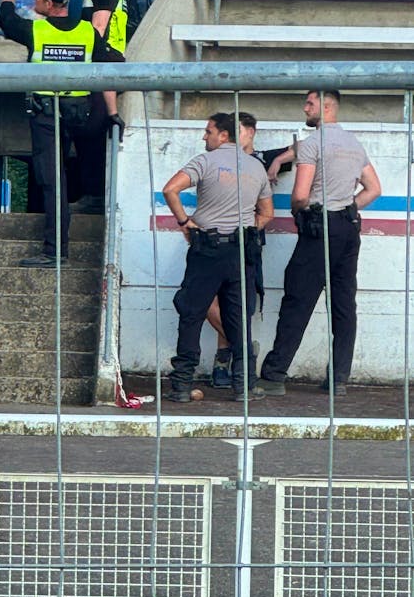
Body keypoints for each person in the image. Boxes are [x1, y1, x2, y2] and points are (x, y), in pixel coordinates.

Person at [258, 90, 381, 397]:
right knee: (343, 304)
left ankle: (274, 375)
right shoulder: (354, 144)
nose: (305, 108)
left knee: (297, 300)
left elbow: (300, 195)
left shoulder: (314, 143)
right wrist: (348, 208)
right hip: (348, 229)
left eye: (310, 104)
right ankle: (339, 378)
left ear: (326, 107)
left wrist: (299, 212)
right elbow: (374, 189)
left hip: (318, 229)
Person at [0, 0, 121, 268]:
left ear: (50, 3)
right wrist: (113, 114)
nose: (35, 1)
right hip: (80, 114)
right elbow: (108, 72)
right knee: (68, 173)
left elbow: (6, 19)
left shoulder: (36, 30)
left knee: (52, 181)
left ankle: (55, 252)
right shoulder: (88, 32)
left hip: (47, 116)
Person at [162, 111, 273, 402]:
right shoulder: (256, 167)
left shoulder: (205, 161)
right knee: (238, 318)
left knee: (192, 314)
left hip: (207, 248)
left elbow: (170, 189)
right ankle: (244, 386)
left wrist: (185, 222)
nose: (204, 136)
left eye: (208, 131)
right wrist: (245, 228)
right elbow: (267, 213)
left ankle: (182, 385)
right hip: (241, 252)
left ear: (224, 135)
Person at [207, 112, 293, 388]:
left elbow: (304, 146)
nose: (234, 136)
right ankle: (242, 348)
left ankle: (224, 362)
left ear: (251, 132)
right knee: (207, 300)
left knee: (237, 304)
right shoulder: (219, 159)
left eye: (240, 131)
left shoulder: (262, 159)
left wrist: (277, 162)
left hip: (247, 242)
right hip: (214, 240)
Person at [70, 0, 129, 213]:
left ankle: (94, 195)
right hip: (107, 60)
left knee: (90, 130)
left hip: (105, 60)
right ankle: (94, 194)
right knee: (90, 129)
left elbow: (99, 26)